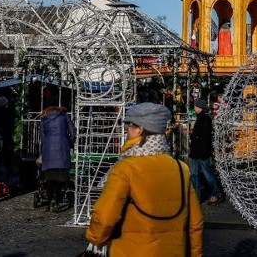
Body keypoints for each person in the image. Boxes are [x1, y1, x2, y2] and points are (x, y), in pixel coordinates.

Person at [85, 102, 203, 256]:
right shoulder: (181, 168)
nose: (127, 130)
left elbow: (105, 216)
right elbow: (195, 222)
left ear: (139, 129)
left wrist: (95, 238)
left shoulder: (125, 168)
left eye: (130, 125)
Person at [39, 105, 76, 211]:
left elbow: (42, 135)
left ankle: (50, 200)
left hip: (48, 147)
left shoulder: (44, 118)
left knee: (49, 176)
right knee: (61, 175)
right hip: (62, 146)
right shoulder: (64, 116)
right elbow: (72, 131)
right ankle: (56, 196)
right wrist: (70, 142)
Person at [189, 100, 224, 205]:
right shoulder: (201, 117)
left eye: (195, 106)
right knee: (195, 174)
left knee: (207, 174)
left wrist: (203, 151)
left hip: (201, 152)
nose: (194, 108)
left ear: (199, 107)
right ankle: (198, 196)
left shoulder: (205, 118)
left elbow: (205, 137)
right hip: (196, 151)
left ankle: (217, 193)